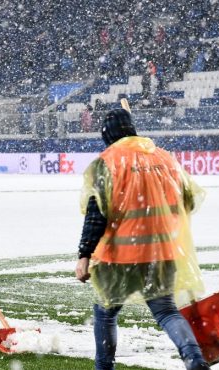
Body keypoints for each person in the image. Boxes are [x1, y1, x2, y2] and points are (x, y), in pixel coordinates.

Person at [74, 109, 210, 370]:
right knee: (167, 312)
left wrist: (84, 254)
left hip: (120, 256)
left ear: (108, 135)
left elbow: (96, 213)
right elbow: (189, 199)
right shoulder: (164, 158)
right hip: (162, 252)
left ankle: (104, 367)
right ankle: (194, 358)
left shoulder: (108, 161)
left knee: (105, 313)